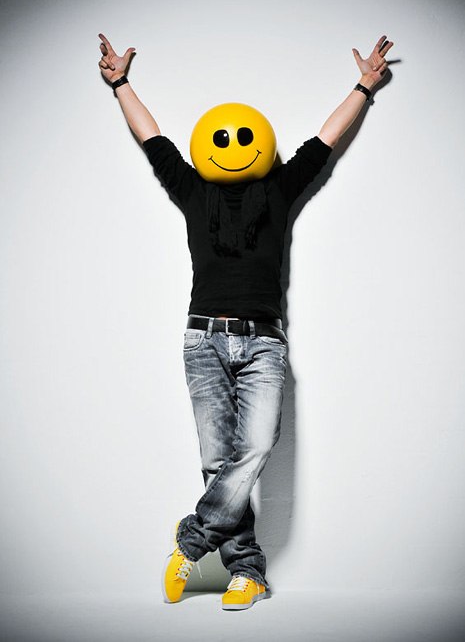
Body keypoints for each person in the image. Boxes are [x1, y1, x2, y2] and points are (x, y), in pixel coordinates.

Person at [97, 32, 394, 610]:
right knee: (217, 461)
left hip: (264, 344)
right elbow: (153, 138)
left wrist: (364, 85)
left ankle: (192, 539)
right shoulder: (192, 191)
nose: (232, 147)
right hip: (202, 339)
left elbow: (325, 140)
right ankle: (248, 574)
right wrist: (121, 83)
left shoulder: (279, 190)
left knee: (256, 445)